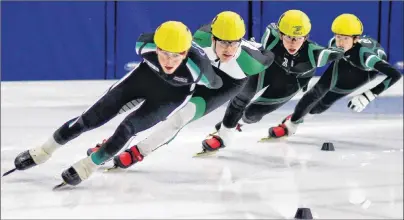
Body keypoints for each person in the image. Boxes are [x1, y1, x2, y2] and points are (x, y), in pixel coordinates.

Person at [4, 21, 222, 188]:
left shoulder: (201, 69)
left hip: (170, 97)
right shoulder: (143, 45)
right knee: (88, 119)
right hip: (141, 81)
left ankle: (88, 166)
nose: (168, 61)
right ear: (156, 47)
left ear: (185, 54)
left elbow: (218, 85)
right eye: (163, 53)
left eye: (176, 56)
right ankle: (44, 151)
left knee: (127, 129)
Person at [87, 11, 275, 169]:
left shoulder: (253, 62)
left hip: (226, 85)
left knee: (182, 117)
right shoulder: (200, 38)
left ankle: (139, 151)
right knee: (155, 102)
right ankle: (114, 143)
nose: (228, 49)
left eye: (234, 43)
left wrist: (257, 45)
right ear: (212, 37)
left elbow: (269, 55)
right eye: (224, 42)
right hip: (201, 75)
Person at [201, 9, 346, 151]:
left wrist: (341, 46)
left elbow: (338, 52)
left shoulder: (315, 54)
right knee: (242, 97)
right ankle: (224, 135)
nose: (293, 43)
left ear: (306, 37)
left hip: (291, 82)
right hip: (269, 70)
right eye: (288, 37)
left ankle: (238, 122)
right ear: (281, 34)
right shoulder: (271, 35)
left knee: (252, 115)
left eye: (298, 38)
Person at [266, 13, 403, 139]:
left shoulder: (366, 56)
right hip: (345, 60)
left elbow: (395, 74)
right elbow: (315, 60)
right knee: (317, 91)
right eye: (338, 37)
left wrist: (368, 96)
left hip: (364, 71)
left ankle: (295, 118)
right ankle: (290, 125)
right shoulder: (334, 44)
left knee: (321, 105)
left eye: (345, 38)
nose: (340, 42)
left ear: (356, 39)